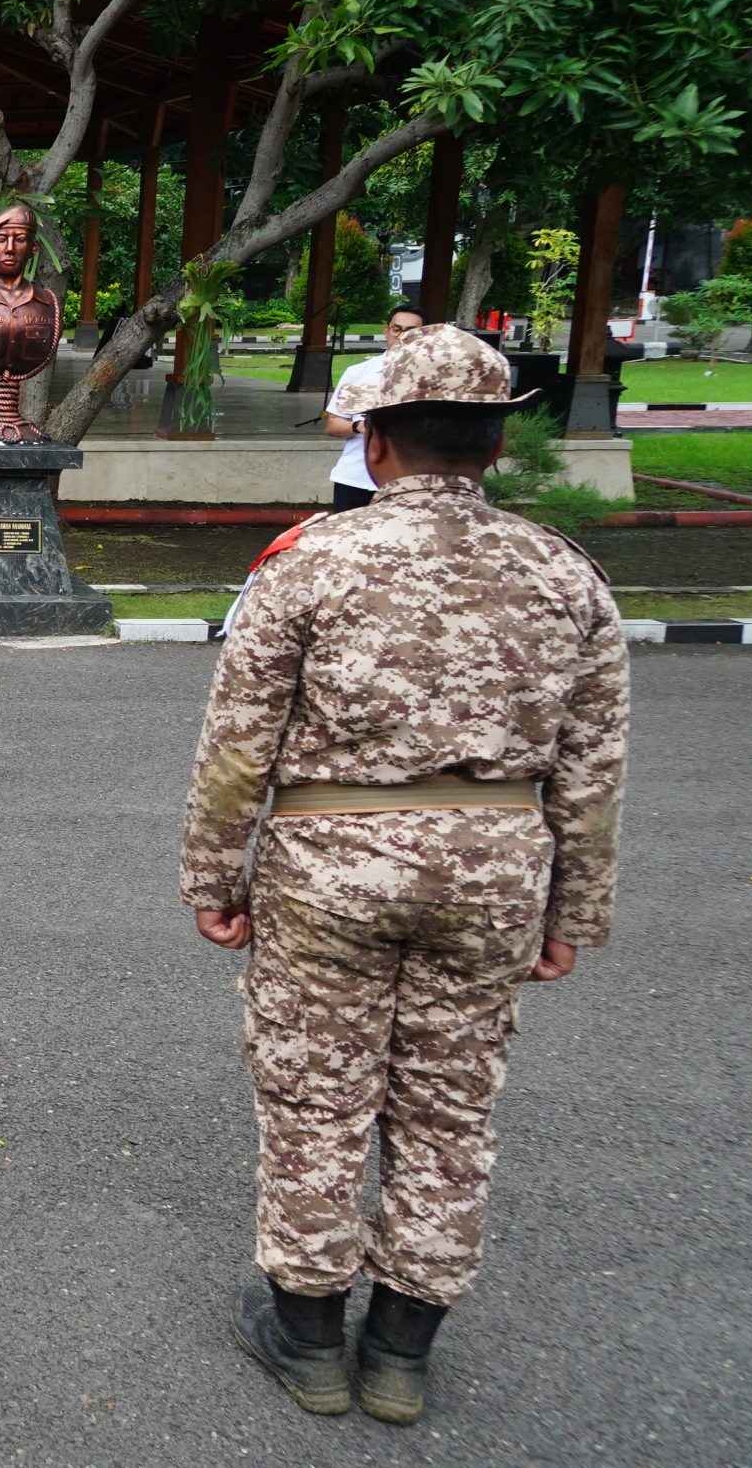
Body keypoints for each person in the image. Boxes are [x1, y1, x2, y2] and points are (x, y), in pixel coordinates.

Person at [181, 324, 629, 1425]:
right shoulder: (564, 575)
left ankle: (307, 1338)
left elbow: (237, 745)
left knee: (315, 1095)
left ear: (375, 442)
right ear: (494, 444)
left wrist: (214, 878)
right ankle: (399, 1351)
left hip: (331, 868)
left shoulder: (307, 563)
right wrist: (573, 909)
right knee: (449, 1107)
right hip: (494, 870)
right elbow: (591, 767)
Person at [322, 306, 427, 511]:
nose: (402, 336)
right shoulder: (359, 373)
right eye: (397, 329)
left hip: (411, 483)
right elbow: (333, 425)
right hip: (355, 480)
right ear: (387, 331)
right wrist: (359, 426)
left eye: (411, 331)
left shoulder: (436, 378)